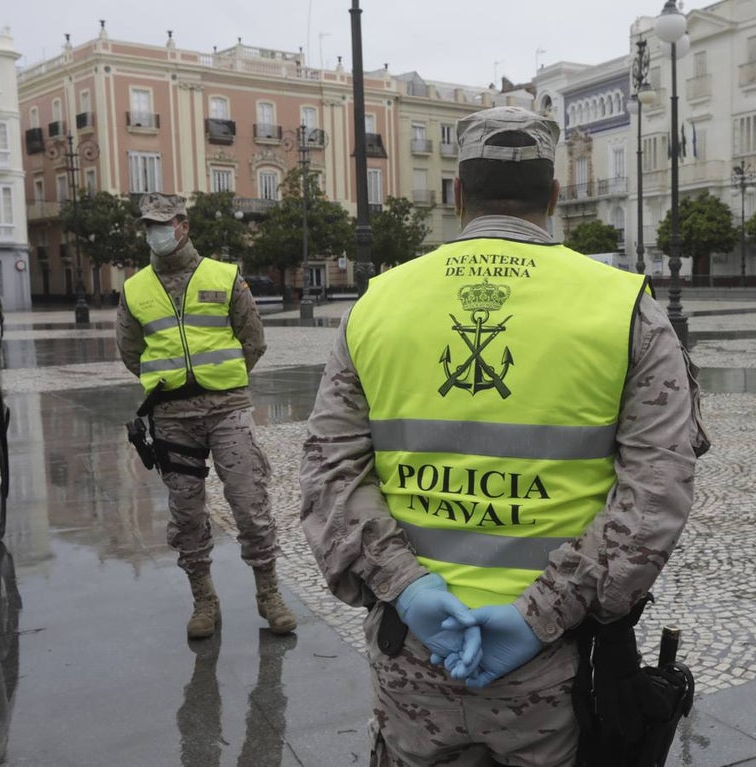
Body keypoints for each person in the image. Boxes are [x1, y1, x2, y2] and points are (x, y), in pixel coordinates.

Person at [299, 106, 706, 766]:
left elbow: (327, 476)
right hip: (556, 667)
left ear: (458, 193)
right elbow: (655, 495)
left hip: (413, 656)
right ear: (554, 194)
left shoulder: (376, 304)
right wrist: (539, 614)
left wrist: (410, 588)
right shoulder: (627, 307)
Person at [116, 192, 296, 640]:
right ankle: (204, 601)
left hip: (227, 411)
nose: (156, 232)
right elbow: (130, 352)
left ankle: (269, 594)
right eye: (149, 225)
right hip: (172, 417)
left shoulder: (224, 275)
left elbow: (253, 339)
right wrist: (173, 381)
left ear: (184, 225)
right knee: (187, 513)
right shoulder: (135, 289)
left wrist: (222, 379)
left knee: (248, 503)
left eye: (164, 223)